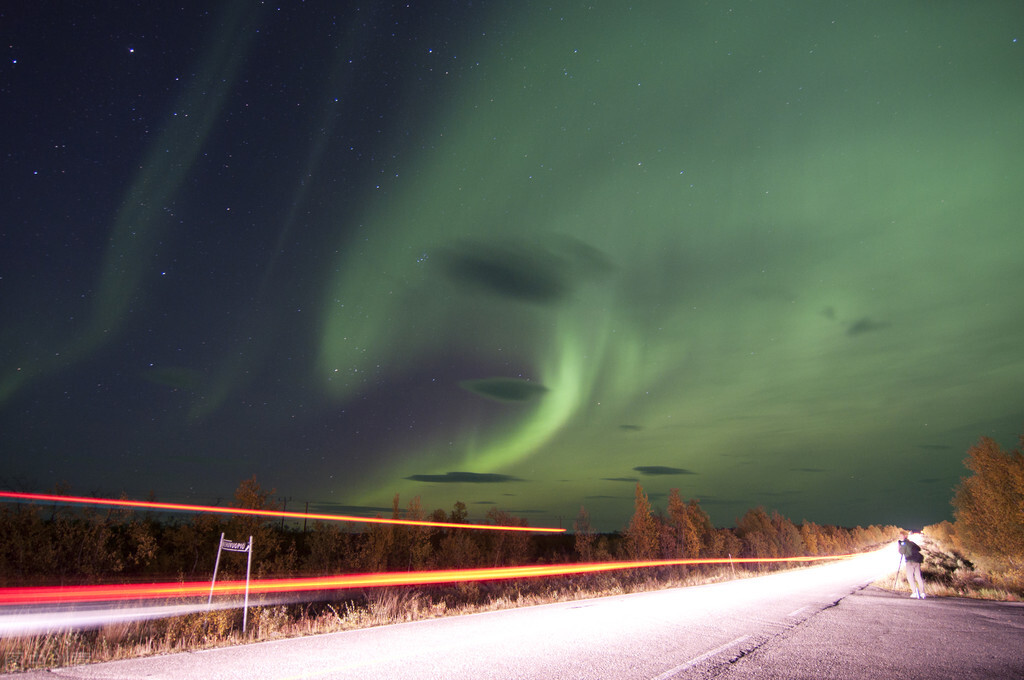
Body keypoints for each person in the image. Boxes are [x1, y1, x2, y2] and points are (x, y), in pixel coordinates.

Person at [898, 534, 926, 599]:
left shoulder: (903, 543)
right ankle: (922, 593)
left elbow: (901, 552)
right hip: (917, 561)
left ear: (904, 537)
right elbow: (919, 548)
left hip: (910, 561)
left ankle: (914, 592)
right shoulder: (912, 543)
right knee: (918, 577)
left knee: (910, 577)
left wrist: (899, 547)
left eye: (901, 536)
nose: (900, 537)